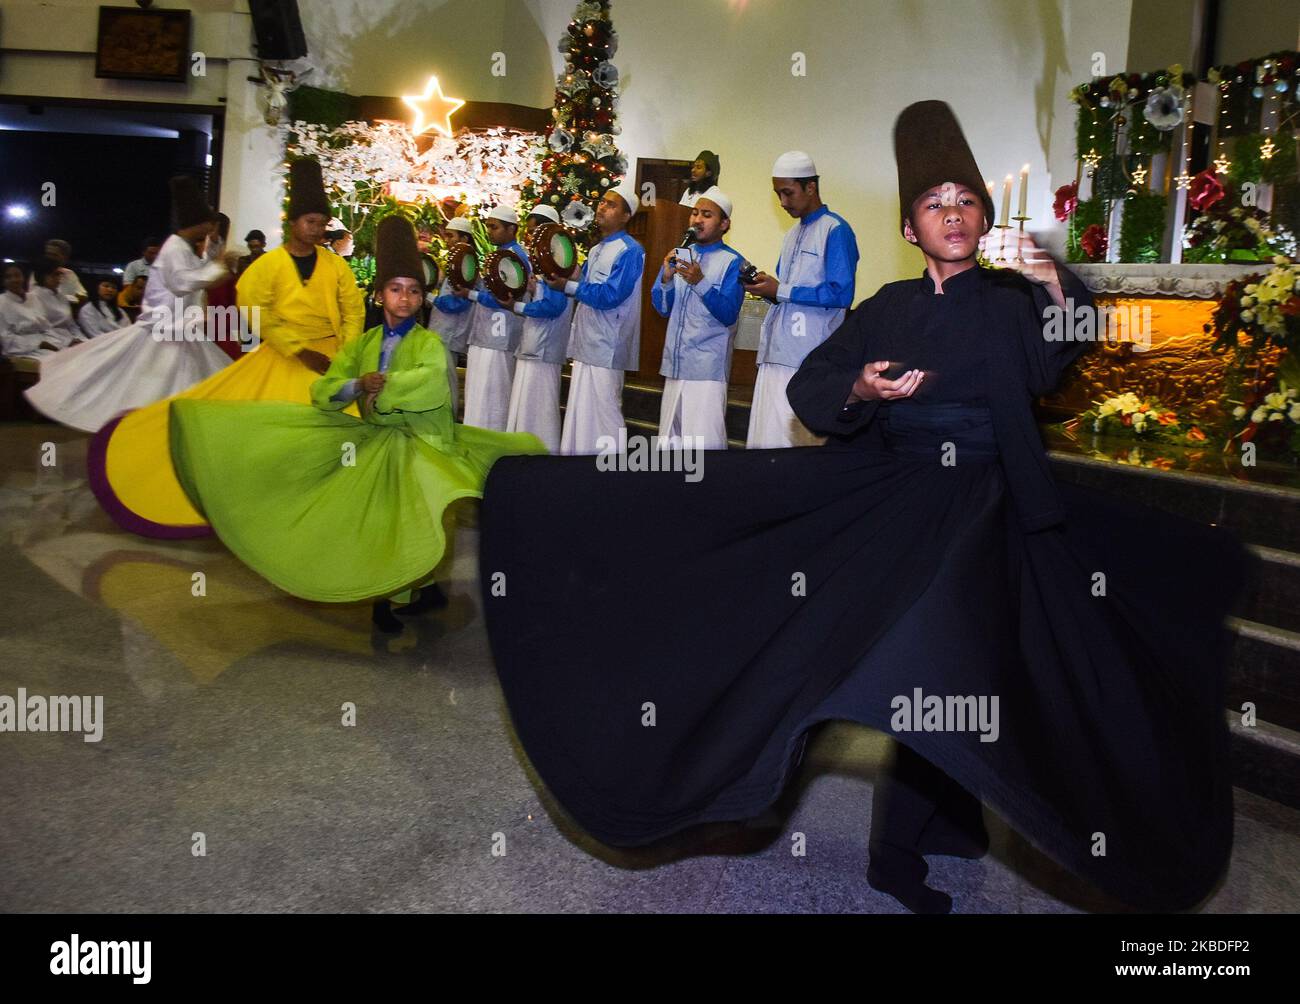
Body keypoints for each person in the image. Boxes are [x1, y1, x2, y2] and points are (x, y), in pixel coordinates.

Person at [475, 100, 1248, 916]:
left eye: (966, 202)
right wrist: (860, 387)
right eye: (933, 204)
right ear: (911, 230)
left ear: (981, 219)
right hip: (900, 503)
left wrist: (1054, 273)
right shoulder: (886, 305)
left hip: (995, 508)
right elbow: (814, 386)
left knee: (971, 670)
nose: (953, 214)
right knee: (916, 663)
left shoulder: (1017, 302)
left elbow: (1077, 341)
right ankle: (886, 848)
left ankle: (942, 829)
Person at [167, 216, 547, 632]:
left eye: (414, 291)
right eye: (396, 290)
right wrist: (354, 385)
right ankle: (391, 598)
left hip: (425, 442)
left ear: (422, 298)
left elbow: (433, 386)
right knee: (382, 516)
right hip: (377, 440)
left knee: (419, 517)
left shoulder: (431, 344)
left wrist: (384, 389)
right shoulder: (363, 344)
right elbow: (325, 390)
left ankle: (413, 589)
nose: (405, 299)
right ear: (380, 295)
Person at [87, 157, 366, 539]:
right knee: (260, 434)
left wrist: (347, 351)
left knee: (340, 433)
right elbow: (253, 307)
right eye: (310, 221)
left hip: (333, 359)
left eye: (321, 223)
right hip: (286, 355)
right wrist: (296, 349)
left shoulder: (337, 267)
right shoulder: (268, 266)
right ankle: (262, 507)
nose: (317, 229)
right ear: (292, 223)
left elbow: (353, 307)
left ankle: (321, 509)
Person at [24, 176, 231, 432]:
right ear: (197, 223)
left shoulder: (184, 248)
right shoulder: (174, 248)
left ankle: (172, 425)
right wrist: (217, 271)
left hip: (180, 329)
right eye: (209, 222)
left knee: (182, 380)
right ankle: (152, 426)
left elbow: (198, 269)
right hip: (164, 329)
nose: (211, 227)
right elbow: (181, 282)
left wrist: (215, 249)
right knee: (152, 384)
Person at [743, 151, 859, 448]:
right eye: (777, 194)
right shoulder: (791, 235)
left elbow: (840, 293)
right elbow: (786, 292)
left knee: (792, 446)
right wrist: (766, 289)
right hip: (776, 353)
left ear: (811, 187)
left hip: (807, 359)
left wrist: (779, 290)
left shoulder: (835, 230)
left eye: (787, 192)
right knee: (764, 442)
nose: (782, 202)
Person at [544, 179, 645, 455]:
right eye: (602, 202)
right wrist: (564, 267)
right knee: (582, 413)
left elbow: (611, 295)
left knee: (605, 415)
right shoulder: (598, 248)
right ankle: (581, 470)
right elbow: (586, 281)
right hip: (588, 342)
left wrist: (567, 286)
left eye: (611, 205)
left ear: (626, 216)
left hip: (608, 345)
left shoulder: (631, 250)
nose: (601, 208)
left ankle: (611, 474)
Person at [653, 186, 744, 450]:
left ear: (724, 224)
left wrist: (700, 282)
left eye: (706, 214)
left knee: (703, 448)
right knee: (670, 444)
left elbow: (728, 314)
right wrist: (666, 280)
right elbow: (662, 308)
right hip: (675, 365)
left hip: (706, 369)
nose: (697, 220)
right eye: (694, 213)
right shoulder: (682, 254)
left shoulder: (733, 263)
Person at [439, 205, 528, 432]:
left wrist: (471, 294)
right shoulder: (497, 255)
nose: (489, 231)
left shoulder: (516, 257)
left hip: (499, 341)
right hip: (484, 338)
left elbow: (504, 298)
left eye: (494, 227)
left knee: (494, 400)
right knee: (479, 398)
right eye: (488, 226)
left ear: (512, 229)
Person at [504, 204, 573, 452]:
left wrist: (520, 307)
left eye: (534, 232)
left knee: (540, 410)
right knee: (526, 407)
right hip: (532, 345)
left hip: (545, 349)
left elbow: (553, 306)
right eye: (530, 232)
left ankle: (542, 455)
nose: (530, 237)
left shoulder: (558, 262)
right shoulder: (542, 263)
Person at [427, 216, 475, 415]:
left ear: (464, 238)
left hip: (449, 333)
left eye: (450, 235)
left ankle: (447, 420)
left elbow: (458, 303)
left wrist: (429, 297)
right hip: (441, 332)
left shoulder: (467, 263)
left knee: (447, 382)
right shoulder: (457, 260)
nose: (446, 240)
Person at [0, 262, 65, 360]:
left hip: (47, 343)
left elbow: (47, 327)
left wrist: (55, 343)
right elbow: (6, 339)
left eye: (17, 275)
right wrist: (39, 344)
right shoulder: (1, 302)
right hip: (21, 352)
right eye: (8, 277)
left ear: (23, 277)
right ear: (3, 281)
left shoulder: (33, 298)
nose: (14, 280)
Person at [29, 257, 86, 347]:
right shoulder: (34, 297)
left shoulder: (61, 295)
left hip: (72, 339)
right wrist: (67, 342)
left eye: (60, 274)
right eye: (55, 275)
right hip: (53, 343)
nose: (59, 278)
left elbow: (72, 325)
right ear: (44, 276)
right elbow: (43, 329)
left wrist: (82, 340)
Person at [30, 238, 88, 309]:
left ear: (65, 258)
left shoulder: (70, 274)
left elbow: (83, 298)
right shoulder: (37, 272)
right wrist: (68, 298)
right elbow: (35, 297)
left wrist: (62, 298)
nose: (50, 257)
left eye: (54, 255)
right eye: (48, 254)